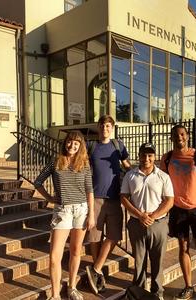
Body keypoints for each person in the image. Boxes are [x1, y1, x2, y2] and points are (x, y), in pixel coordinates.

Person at [160, 125, 196, 300]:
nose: (179, 137)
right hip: (178, 210)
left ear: (187, 136)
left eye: (182, 134)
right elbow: (161, 184)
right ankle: (188, 287)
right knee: (183, 247)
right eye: (176, 135)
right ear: (171, 138)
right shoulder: (167, 158)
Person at [34, 131, 95, 300]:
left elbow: (90, 190)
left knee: (76, 251)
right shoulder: (56, 162)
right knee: (55, 256)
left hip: (81, 211)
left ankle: (71, 287)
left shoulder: (84, 163)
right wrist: (49, 198)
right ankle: (55, 295)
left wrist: (92, 215)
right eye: (70, 142)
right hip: (63, 211)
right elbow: (38, 182)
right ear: (65, 142)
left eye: (76, 143)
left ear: (80, 146)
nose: (72, 146)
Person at [120, 143, 174, 300]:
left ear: (154, 157)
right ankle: (138, 292)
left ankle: (157, 293)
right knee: (139, 261)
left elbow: (169, 201)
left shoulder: (163, 176)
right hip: (137, 224)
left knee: (157, 260)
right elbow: (124, 197)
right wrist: (140, 215)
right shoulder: (130, 175)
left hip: (158, 225)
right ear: (139, 156)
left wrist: (153, 215)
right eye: (143, 155)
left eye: (150, 155)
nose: (146, 158)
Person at [86, 115, 131, 294]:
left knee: (114, 236)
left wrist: (142, 175)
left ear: (112, 128)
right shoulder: (91, 146)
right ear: (98, 127)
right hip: (95, 198)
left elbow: (127, 165)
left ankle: (95, 268)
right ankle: (97, 274)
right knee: (95, 238)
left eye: (108, 126)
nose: (105, 128)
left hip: (114, 198)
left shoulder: (117, 146)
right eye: (102, 125)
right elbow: (81, 166)